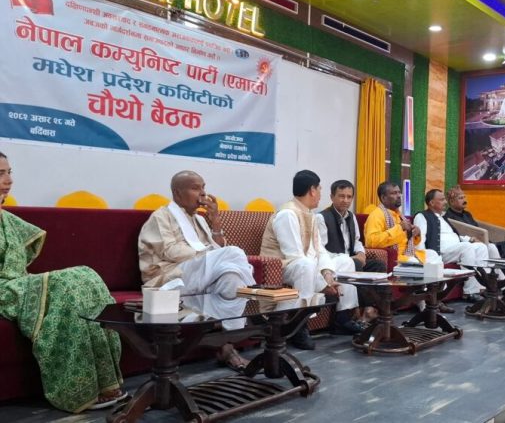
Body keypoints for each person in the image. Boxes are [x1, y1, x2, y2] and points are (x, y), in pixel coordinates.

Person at [0, 152, 125, 413]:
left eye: (9, 172)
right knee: (63, 285)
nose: (9, 180)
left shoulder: (6, 219)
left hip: (15, 282)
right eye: (0, 174)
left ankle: (106, 381)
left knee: (85, 275)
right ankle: (76, 389)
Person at [138, 171, 255, 372]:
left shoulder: (199, 219)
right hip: (168, 277)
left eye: (203, 187)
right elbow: (170, 251)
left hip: (197, 273)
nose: (203, 194)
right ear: (177, 192)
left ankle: (227, 343)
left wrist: (215, 220)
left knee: (232, 279)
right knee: (234, 253)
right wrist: (209, 255)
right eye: (195, 188)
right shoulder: (161, 217)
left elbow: (216, 250)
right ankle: (253, 290)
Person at [260, 170, 364, 350]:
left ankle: (343, 318)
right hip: (279, 267)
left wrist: (328, 273)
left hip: (301, 265)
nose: (321, 194)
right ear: (312, 190)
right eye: (320, 189)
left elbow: (319, 249)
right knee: (305, 265)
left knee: (344, 260)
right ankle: (298, 324)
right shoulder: (287, 214)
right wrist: (322, 283)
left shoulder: (309, 214)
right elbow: (295, 256)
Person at [364, 181, 454, 313]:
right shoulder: (377, 215)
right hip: (396, 258)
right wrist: (399, 228)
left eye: (399, 192)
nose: (399, 195)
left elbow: (409, 241)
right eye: (394, 193)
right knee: (421, 266)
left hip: (409, 253)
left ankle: (434, 298)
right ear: (383, 197)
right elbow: (372, 242)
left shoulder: (399, 214)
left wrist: (416, 233)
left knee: (433, 255)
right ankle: (425, 305)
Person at [316, 180, 384, 322]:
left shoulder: (351, 216)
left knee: (378, 266)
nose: (345, 200)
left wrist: (361, 253)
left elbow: (357, 240)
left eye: (349, 196)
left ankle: (371, 309)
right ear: (332, 197)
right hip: (333, 264)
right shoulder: (321, 218)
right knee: (355, 264)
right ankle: (358, 312)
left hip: (351, 260)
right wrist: (351, 259)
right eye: (341, 196)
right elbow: (320, 250)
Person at [413, 189, 486, 302]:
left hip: (454, 249)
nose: (445, 202)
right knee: (466, 247)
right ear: (432, 203)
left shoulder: (443, 216)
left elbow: (452, 234)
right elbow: (419, 238)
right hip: (439, 252)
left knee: (481, 247)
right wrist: (422, 258)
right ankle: (470, 292)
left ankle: (481, 287)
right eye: (442, 200)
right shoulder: (422, 216)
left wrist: (469, 239)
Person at [444, 185, 505, 261]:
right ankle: (497, 269)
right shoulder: (448, 217)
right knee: (491, 247)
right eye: (460, 198)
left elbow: (477, 229)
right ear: (452, 202)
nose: (464, 200)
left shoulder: (467, 214)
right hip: (472, 244)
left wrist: (485, 239)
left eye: (464, 197)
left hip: (484, 241)